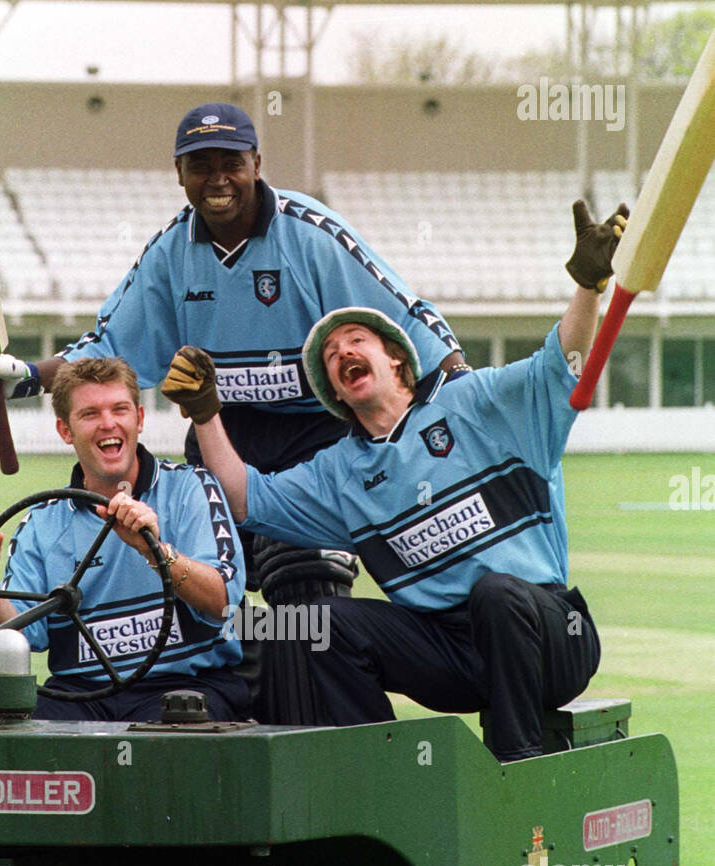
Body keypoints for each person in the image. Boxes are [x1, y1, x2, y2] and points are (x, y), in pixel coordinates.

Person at [157, 200, 628, 761]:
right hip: (450, 651)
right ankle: (392, 774)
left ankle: (513, 768)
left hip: (551, 636)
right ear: (334, 390)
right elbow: (243, 498)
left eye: (357, 340)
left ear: (399, 362)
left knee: (495, 593)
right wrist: (207, 413)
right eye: (331, 355)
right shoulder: (341, 471)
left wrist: (587, 285)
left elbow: (564, 363)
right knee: (322, 623)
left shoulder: (475, 401)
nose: (342, 353)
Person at [0, 102, 465, 478]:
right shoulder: (170, 254)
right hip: (219, 428)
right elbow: (109, 351)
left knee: (306, 590)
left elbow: (409, 321)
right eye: (201, 165)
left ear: (256, 166)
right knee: (197, 586)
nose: (217, 179)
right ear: (179, 173)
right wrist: (21, 378)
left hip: (318, 431)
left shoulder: (312, 235)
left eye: (231, 163)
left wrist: (467, 401)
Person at [0, 356, 248, 722]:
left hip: (187, 686)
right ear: (65, 431)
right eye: (90, 414)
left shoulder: (191, 488)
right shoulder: (43, 521)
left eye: (119, 410)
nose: (108, 424)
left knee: (176, 734)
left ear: (139, 419)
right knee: (16, 737)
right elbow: (22, 637)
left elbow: (224, 601)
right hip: (82, 694)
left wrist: (155, 552)